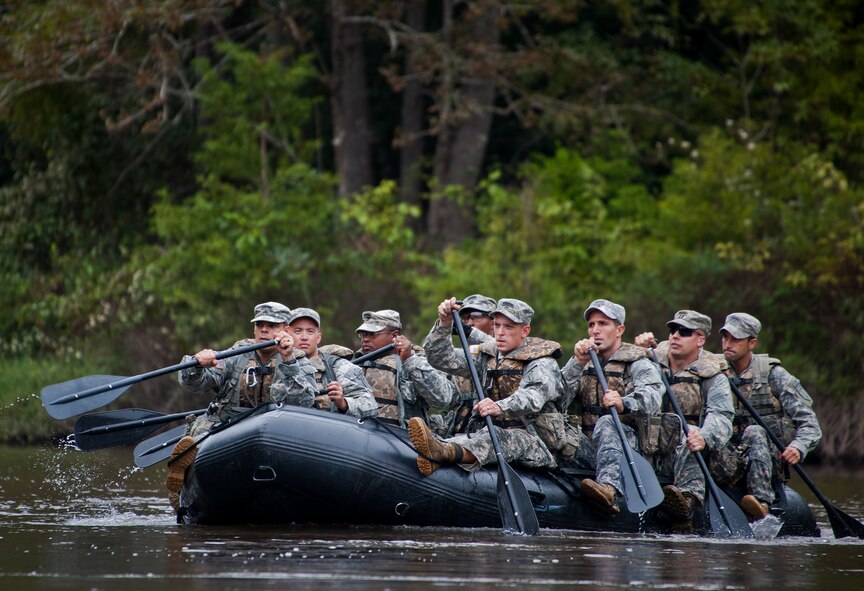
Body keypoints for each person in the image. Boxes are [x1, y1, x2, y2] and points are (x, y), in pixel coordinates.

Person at [166, 302, 318, 506]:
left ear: (286, 330)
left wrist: (288, 359)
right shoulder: (235, 355)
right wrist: (197, 364)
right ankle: (185, 481)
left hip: (273, 436)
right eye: (260, 325)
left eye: (272, 326)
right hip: (225, 430)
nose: (264, 330)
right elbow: (195, 384)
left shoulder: (298, 361)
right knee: (203, 433)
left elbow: (305, 401)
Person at [408, 297, 577, 476]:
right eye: (497, 325)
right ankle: (441, 453)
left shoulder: (542, 362)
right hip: (487, 433)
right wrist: (444, 323)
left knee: (498, 435)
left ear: (525, 330)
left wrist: (500, 406)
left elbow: (533, 397)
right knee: (480, 435)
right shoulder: (488, 355)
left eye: (509, 327)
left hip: (535, 443)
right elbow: (441, 358)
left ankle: (444, 453)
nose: (500, 333)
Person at [712, 312, 823, 521]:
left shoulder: (775, 375)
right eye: (725, 337)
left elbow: (809, 423)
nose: (727, 344)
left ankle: (760, 502)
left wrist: (798, 446)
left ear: (752, 343)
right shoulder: (712, 369)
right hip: (728, 458)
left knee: (754, 432)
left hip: (767, 458)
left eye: (735, 339)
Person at [634, 310, 734, 532]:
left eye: (684, 332)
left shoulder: (713, 378)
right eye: (672, 330)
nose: (675, 336)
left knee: (692, 432)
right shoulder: (649, 361)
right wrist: (639, 349)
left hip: (688, 452)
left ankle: (686, 502)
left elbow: (722, 417)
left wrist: (704, 436)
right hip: (652, 450)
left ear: (700, 339)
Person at [561, 299, 663, 514]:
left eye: (603, 324)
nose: (595, 330)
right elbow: (557, 398)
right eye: (591, 325)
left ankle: (608, 488)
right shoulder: (585, 361)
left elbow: (654, 396)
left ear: (619, 330)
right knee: (554, 426)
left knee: (607, 421)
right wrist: (576, 363)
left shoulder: (638, 363)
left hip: (628, 448)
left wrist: (624, 403)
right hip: (591, 447)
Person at [354, 309, 457, 428]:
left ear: (394, 335)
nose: (365, 339)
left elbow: (443, 399)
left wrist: (410, 360)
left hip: (402, 439)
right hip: (360, 434)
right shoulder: (354, 364)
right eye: (363, 334)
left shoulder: (418, 361)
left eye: (372, 334)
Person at [278, 307, 378, 418]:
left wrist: (344, 403)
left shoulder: (340, 367)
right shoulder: (275, 364)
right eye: (298, 331)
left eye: (310, 331)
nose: (304, 337)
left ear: (318, 337)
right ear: (287, 333)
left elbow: (371, 407)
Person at [427, 293, 497, 437]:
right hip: (458, 434)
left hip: (495, 436)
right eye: (464, 318)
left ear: (493, 322)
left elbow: (497, 351)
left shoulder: (511, 355)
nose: (469, 322)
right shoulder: (467, 357)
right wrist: (444, 323)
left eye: (476, 316)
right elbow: (438, 356)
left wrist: (469, 332)